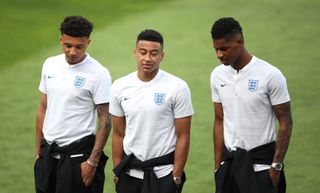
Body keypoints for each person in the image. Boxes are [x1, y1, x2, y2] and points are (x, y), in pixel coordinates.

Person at [210, 17, 293, 193]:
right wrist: (218, 167)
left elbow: (285, 123)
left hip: (262, 168)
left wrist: (276, 167)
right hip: (229, 167)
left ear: (239, 42)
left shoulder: (271, 75)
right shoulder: (217, 75)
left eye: (224, 49)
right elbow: (219, 120)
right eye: (216, 49)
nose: (219, 54)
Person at [109, 29, 194, 193]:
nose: (147, 58)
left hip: (163, 174)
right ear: (135, 53)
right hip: (130, 173)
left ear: (162, 55)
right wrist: (118, 170)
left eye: (154, 53)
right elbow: (118, 134)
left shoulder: (177, 87)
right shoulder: (120, 86)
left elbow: (184, 135)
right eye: (143, 52)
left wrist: (176, 175)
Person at [34, 16, 112, 193]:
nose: (72, 52)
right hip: (47, 155)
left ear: (88, 43)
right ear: (61, 40)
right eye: (68, 45)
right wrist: (38, 152)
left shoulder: (99, 74)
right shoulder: (50, 65)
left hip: (78, 158)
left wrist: (92, 162)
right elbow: (43, 108)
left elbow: (106, 120)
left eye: (79, 47)